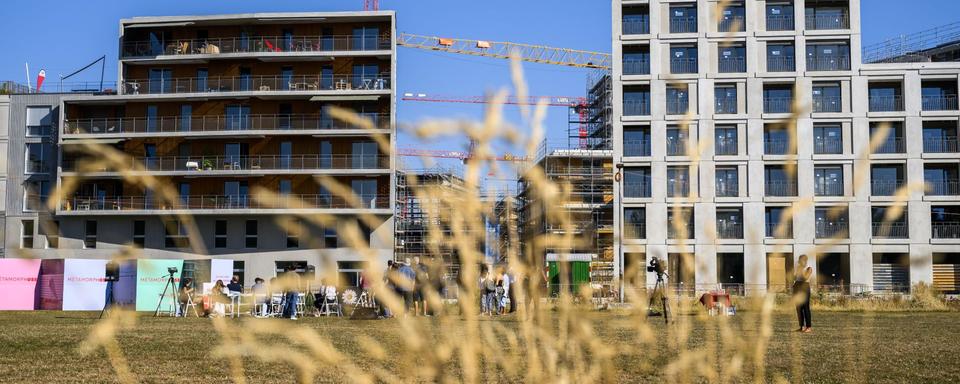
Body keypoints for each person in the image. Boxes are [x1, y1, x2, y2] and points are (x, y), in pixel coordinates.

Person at [793, 254, 814, 333]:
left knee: (805, 308)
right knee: (799, 308)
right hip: (797, 286)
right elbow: (794, 278)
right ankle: (801, 326)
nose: (799, 261)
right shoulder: (798, 268)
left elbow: (805, 278)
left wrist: (801, 270)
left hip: (804, 287)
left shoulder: (809, 268)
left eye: (800, 260)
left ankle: (808, 327)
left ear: (804, 260)